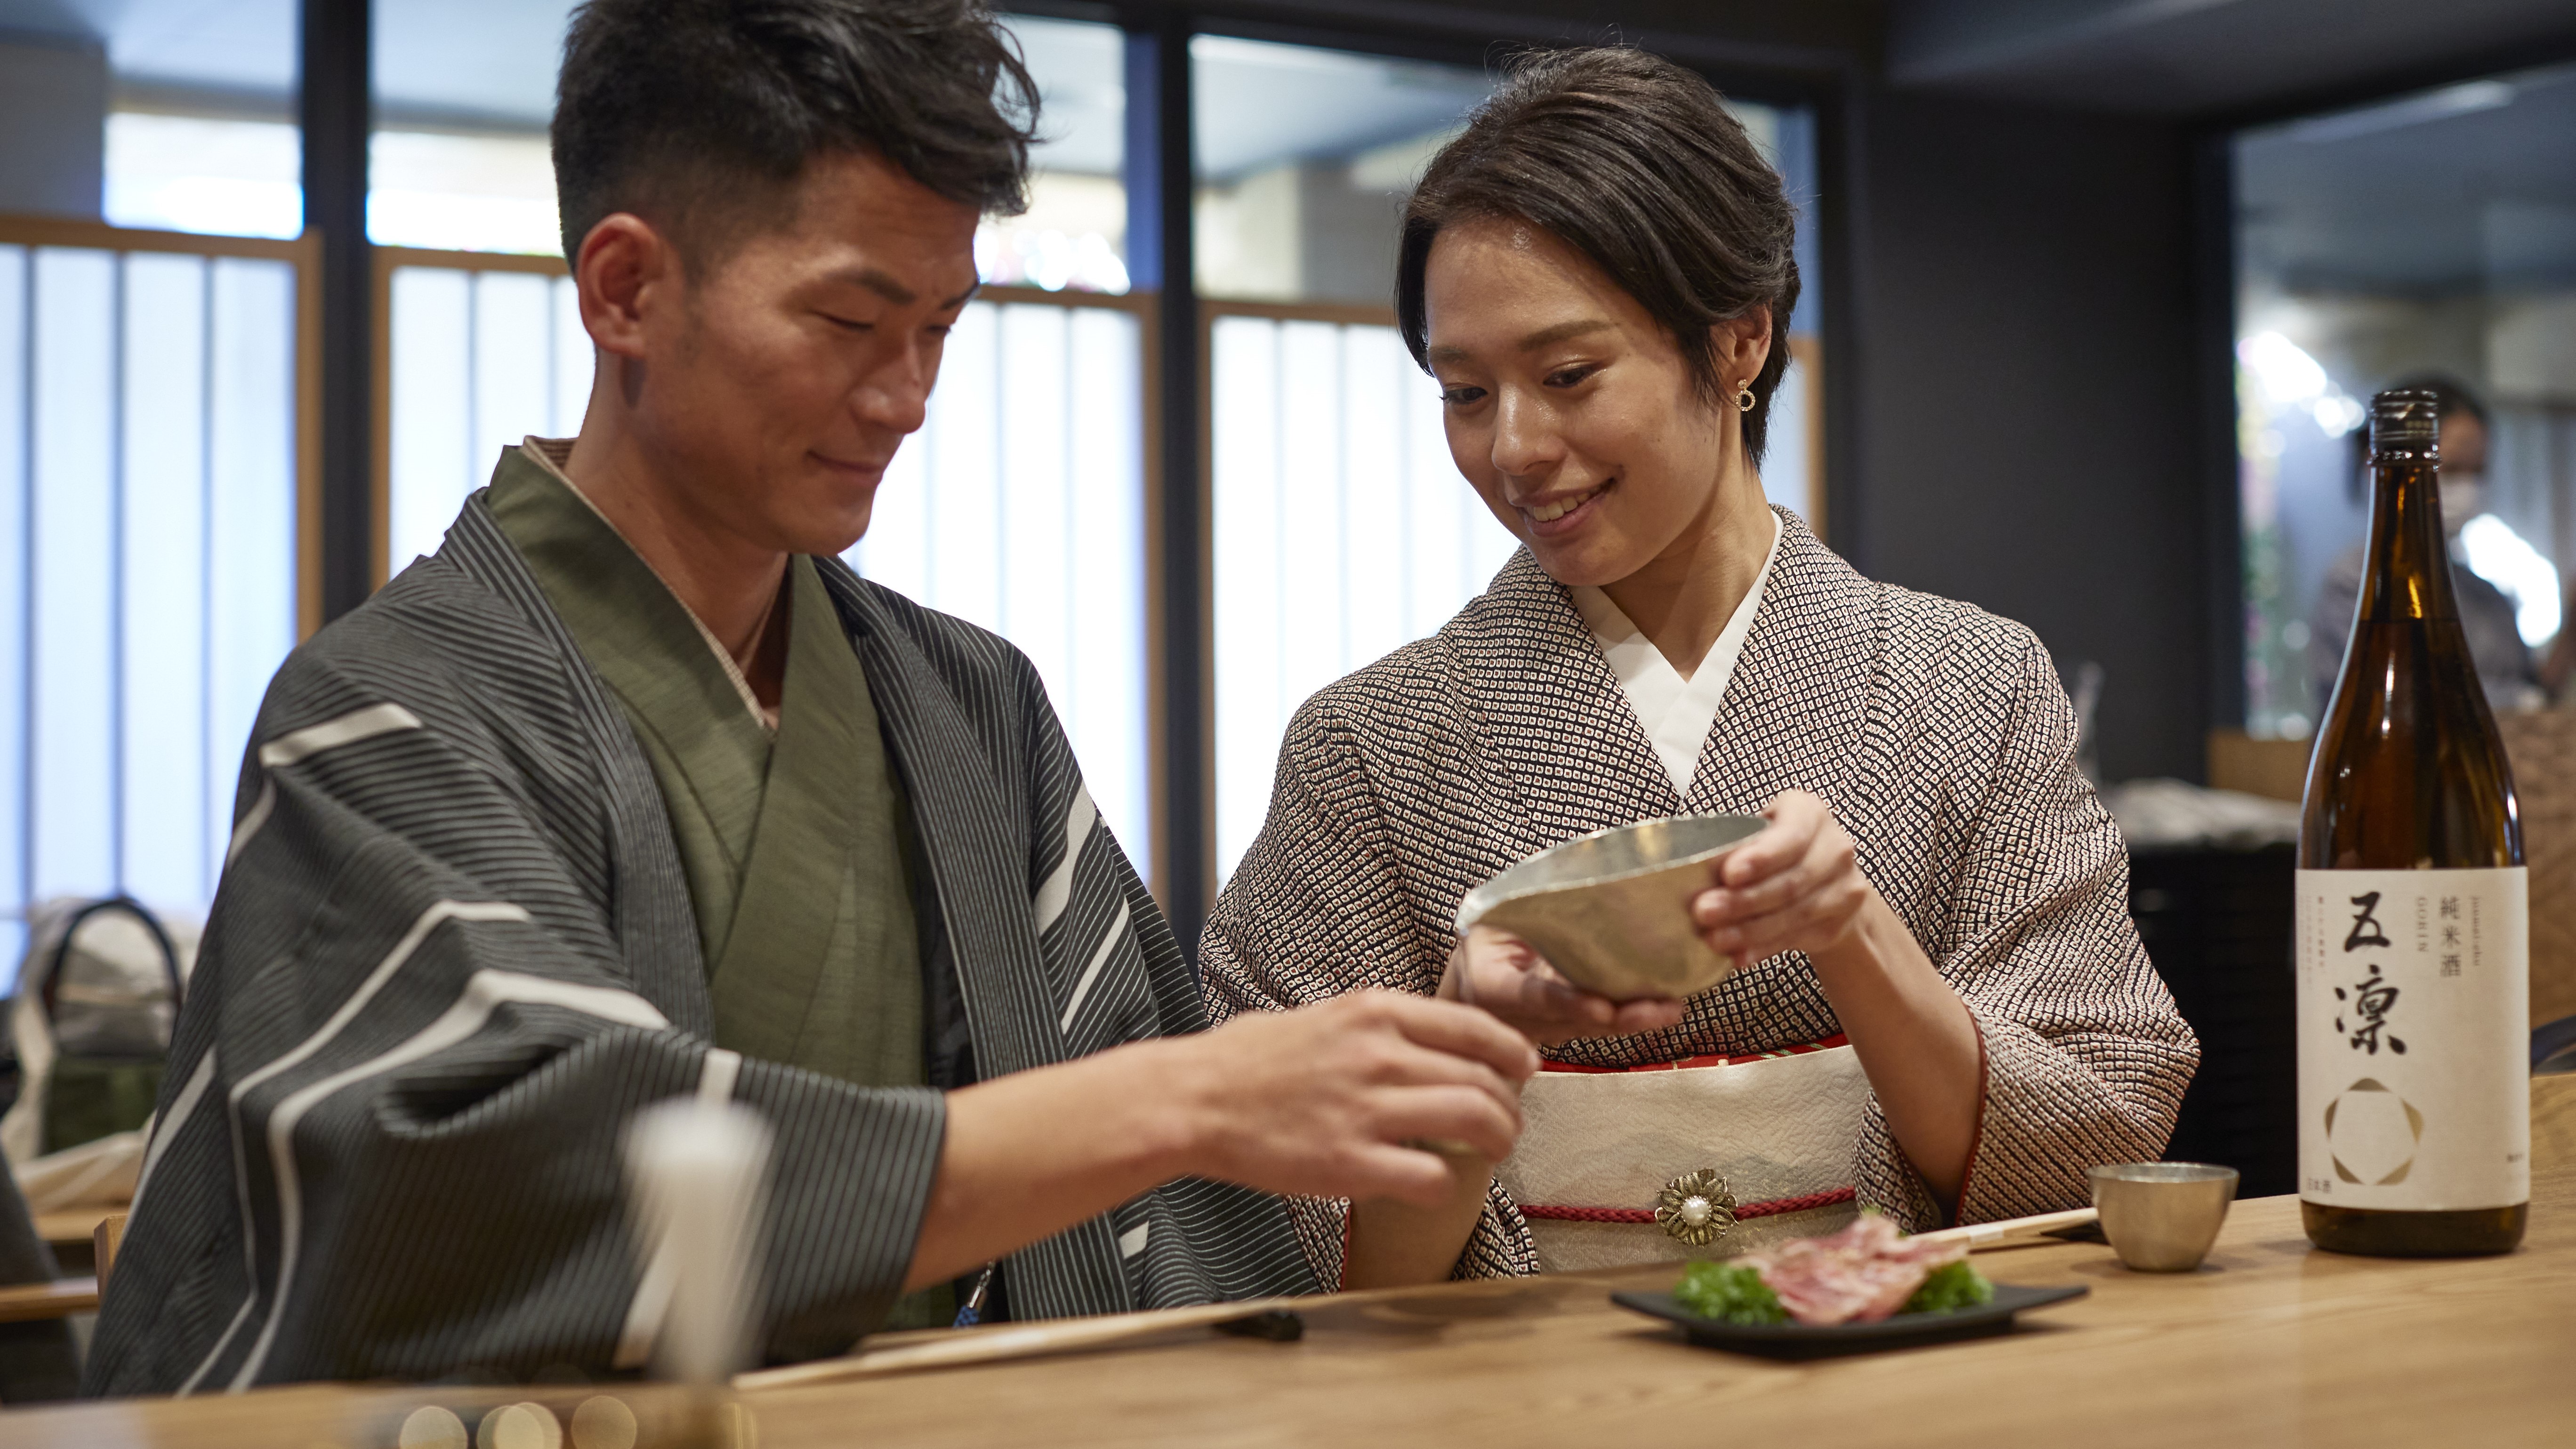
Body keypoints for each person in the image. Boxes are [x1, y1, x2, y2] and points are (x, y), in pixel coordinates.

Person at [84, 0, 1535, 1393]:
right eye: (851, 320)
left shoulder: (975, 708)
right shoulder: (385, 711)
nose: (906, 394)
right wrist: (1192, 1100)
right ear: (625, 288)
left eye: (943, 328)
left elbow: (1189, 1235)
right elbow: (516, 1190)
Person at [1201, 48, 2199, 1288]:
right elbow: (1275, 1222)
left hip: (1895, 1384)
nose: (1513, 447)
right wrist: (1469, 1036)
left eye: (1568, 375)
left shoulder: (1973, 683)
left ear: (1738, 342)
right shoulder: (1369, 743)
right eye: (1465, 391)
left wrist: (1854, 934)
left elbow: (2089, 1131)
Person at [2306, 376, 2542, 713]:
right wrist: (2517, 702)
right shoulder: (2357, 583)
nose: (2468, 487)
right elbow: (2400, 701)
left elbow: (2536, 698)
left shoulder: (2484, 594)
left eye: (2478, 472)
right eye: (2453, 469)